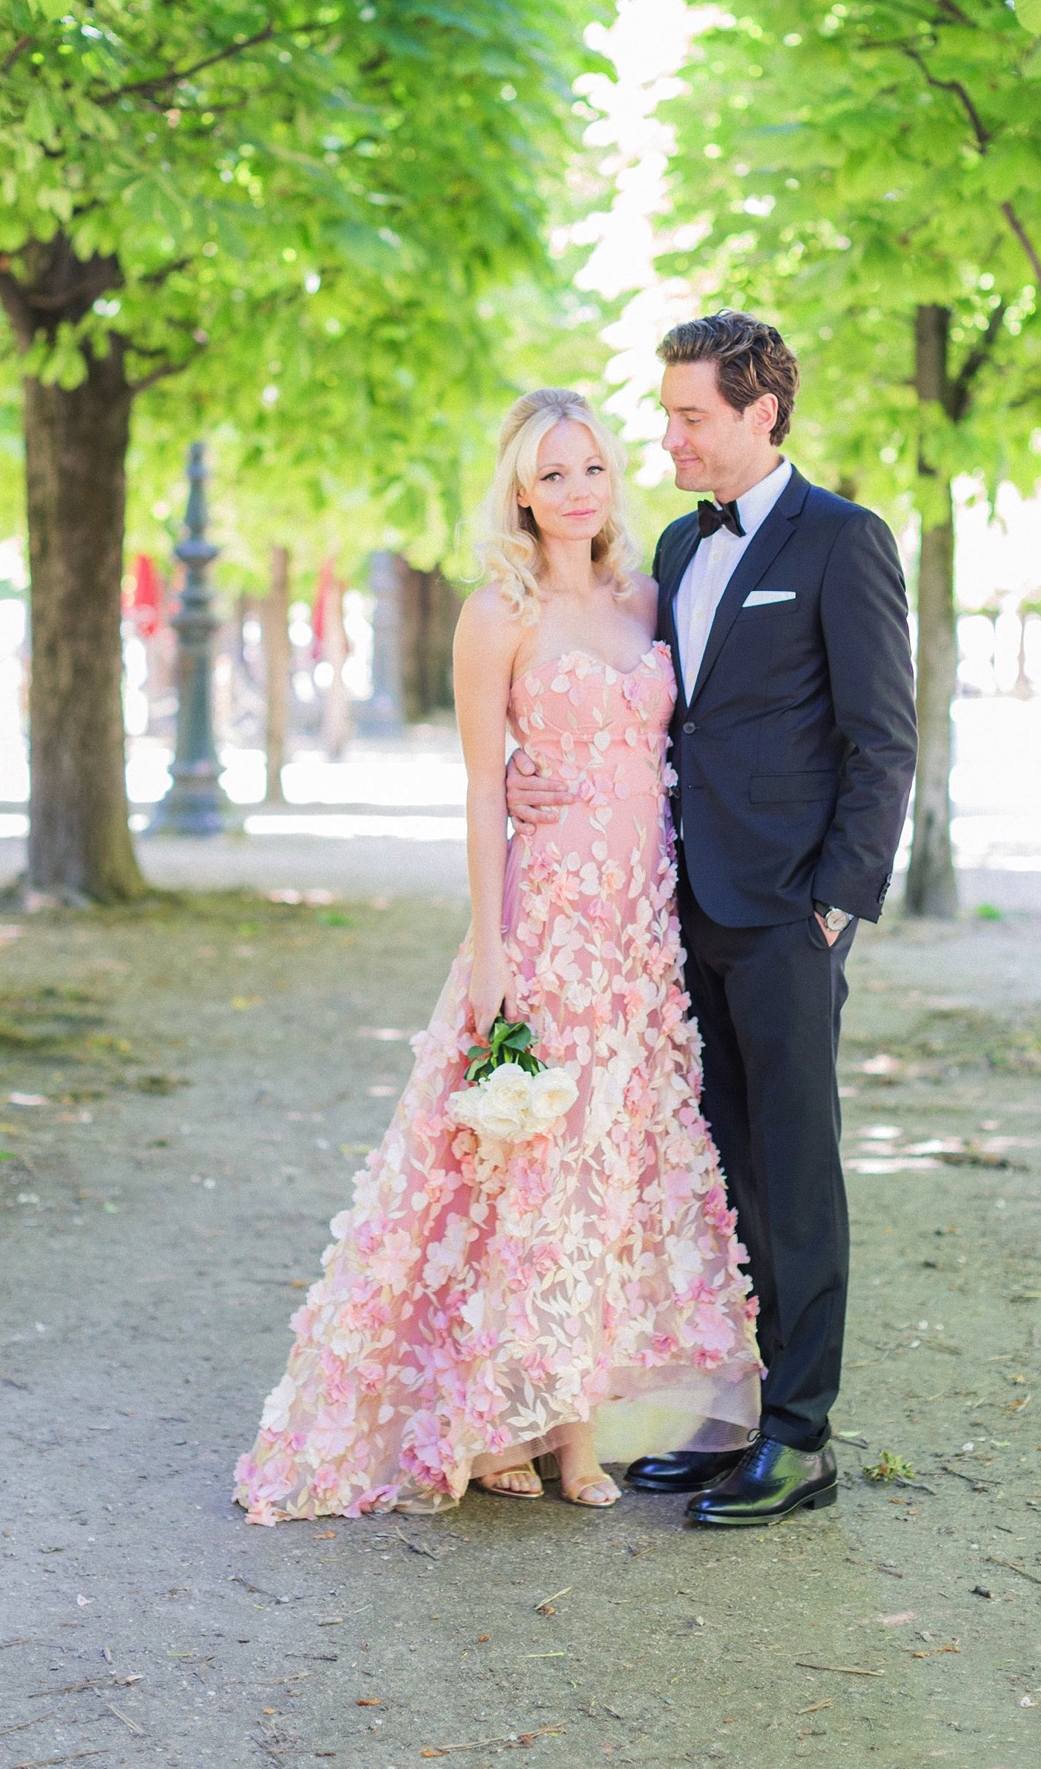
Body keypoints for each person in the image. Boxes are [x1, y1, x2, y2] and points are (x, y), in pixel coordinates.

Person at [234, 389, 759, 1523]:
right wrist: (491, 959)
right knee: (528, 1167)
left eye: (593, 470)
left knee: (609, 1167)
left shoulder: (648, 595)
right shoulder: (497, 614)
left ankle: (571, 1418)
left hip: (642, 928)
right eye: (553, 473)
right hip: (550, 919)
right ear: (520, 489)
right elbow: (482, 790)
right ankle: (522, 1425)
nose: (577, 491)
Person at [507, 313, 918, 1526]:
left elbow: (882, 740)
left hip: (789, 918)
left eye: (691, 416)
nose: (669, 436)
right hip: (673, 910)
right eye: (670, 412)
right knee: (719, 1174)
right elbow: (638, 714)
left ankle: (802, 1438)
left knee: (794, 1171)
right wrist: (533, 775)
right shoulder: (678, 549)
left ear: (759, 415)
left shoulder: (844, 542)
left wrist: (837, 906)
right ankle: (738, 1418)